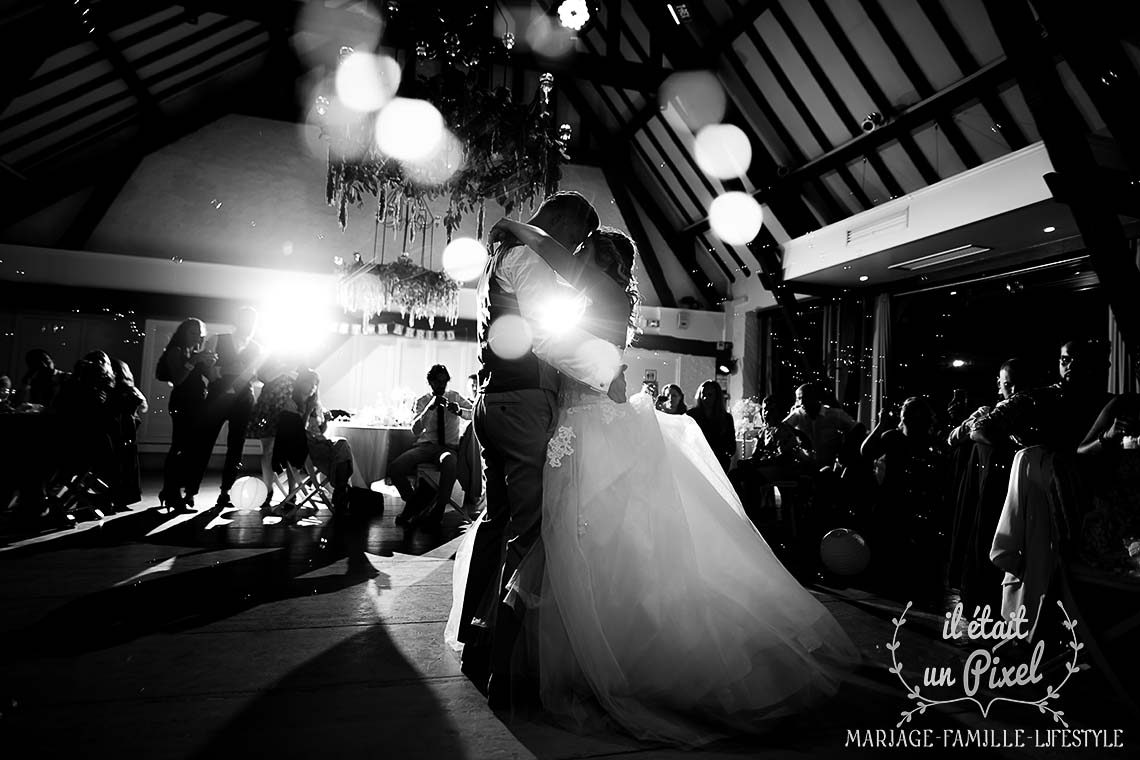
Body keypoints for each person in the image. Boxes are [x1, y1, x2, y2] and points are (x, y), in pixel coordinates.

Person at [449, 219, 858, 746]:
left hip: (585, 428)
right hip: (582, 424)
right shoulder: (606, 296)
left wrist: (518, 229)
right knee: (579, 548)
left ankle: (549, 667)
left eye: (583, 252)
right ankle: (544, 661)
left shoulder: (596, 290)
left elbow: (565, 306)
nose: (572, 258)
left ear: (600, 260)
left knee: (569, 547)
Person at [455, 191, 625, 709]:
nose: (571, 253)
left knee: (497, 522)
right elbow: (548, 341)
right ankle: (503, 670)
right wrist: (606, 371)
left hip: (495, 400)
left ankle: (477, 639)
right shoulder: (528, 256)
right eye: (575, 240)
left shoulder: (504, 252)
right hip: (523, 404)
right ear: (564, 223)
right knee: (529, 536)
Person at [191, 306, 263, 508]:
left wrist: (249, 375)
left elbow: (255, 376)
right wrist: (222, 371)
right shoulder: (217, 339)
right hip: (217, 397)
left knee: (236, 446)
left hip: (243, 399)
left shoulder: (257, 348)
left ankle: (226, 492)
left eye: (253, 322)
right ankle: (191, 491)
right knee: (204, 443)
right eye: (246, 321)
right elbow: (204, 367)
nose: (250, 326)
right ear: (238, 321)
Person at [389, 364, 473, 527]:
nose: (441, 385)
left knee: (450, 461)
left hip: (447, 448)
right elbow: (415, 430)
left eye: (444, 382)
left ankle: (439, 509)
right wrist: (430, 407)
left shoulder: (454, 396)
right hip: (425, 447)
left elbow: (474, 413)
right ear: (430, 382)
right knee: (395, 467)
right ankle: (413, 502)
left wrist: (460, 411)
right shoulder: (423, 401)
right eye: (437, 382)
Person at [157, 319, 217, 514]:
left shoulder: (196, 352)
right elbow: (178, 380)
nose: (197, 337)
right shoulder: (176, 351)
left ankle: (174, 491)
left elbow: (211, 379)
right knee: (180, 448)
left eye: (199, 334)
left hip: (199, 404)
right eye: (192, 333)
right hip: (182, 404)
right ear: (183, 333)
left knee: (192, 450)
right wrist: (193, 362)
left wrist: (210, 364)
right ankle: (172, 493)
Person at [246, 356, 298, 513]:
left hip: (287, 409)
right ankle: (268, 491)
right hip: (269, 408)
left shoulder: (299, 358)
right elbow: (263, 376)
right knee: (267, 451)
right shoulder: (270, 357)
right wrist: (282, 369)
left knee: (290, 454)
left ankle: (292, 493)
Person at [783, 382, 860, 470]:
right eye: (799, 399)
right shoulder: (798, 413)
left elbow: (858, 428)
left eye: (804, 398)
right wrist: (798, 434)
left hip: (831, 466)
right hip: (806, 466)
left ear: (815, 397)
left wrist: (846, 448)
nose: (801, 403)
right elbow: (781, 427)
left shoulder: (834, 414)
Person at [687, 380, 735, 472]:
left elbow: (731, 447)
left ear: (717, 397)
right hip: (697, 459)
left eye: (710, 395)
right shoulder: (691, 416)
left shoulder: (726, 418)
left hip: (718, 461)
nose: (705, 398)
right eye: (703, 394)